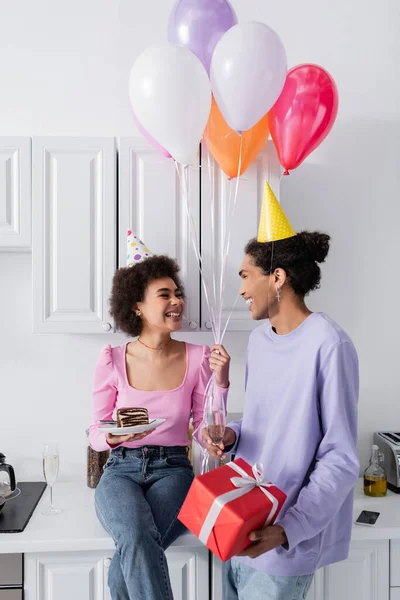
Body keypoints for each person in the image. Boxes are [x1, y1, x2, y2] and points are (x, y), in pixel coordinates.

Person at [203, 205, 359, 600]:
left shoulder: (329, 344)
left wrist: (288, 529)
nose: (240, 288)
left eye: (244, 276)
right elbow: (263, 425)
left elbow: (340, 457)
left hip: (284, 540)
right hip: (242, 520)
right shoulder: (259, 341)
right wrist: (231, 436)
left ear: (277, 278)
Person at [90, 249, 230, 600]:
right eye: (164, 295)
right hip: (120, 469)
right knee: (136, 536)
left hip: (174, 469)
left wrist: (222, 383)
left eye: (177, 293)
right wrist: (114, 437)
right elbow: (94, 432)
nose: (177, 301)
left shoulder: (198, 357)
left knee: (135, 542)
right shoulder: (112, 359)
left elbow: (203, 425)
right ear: (137, 306)